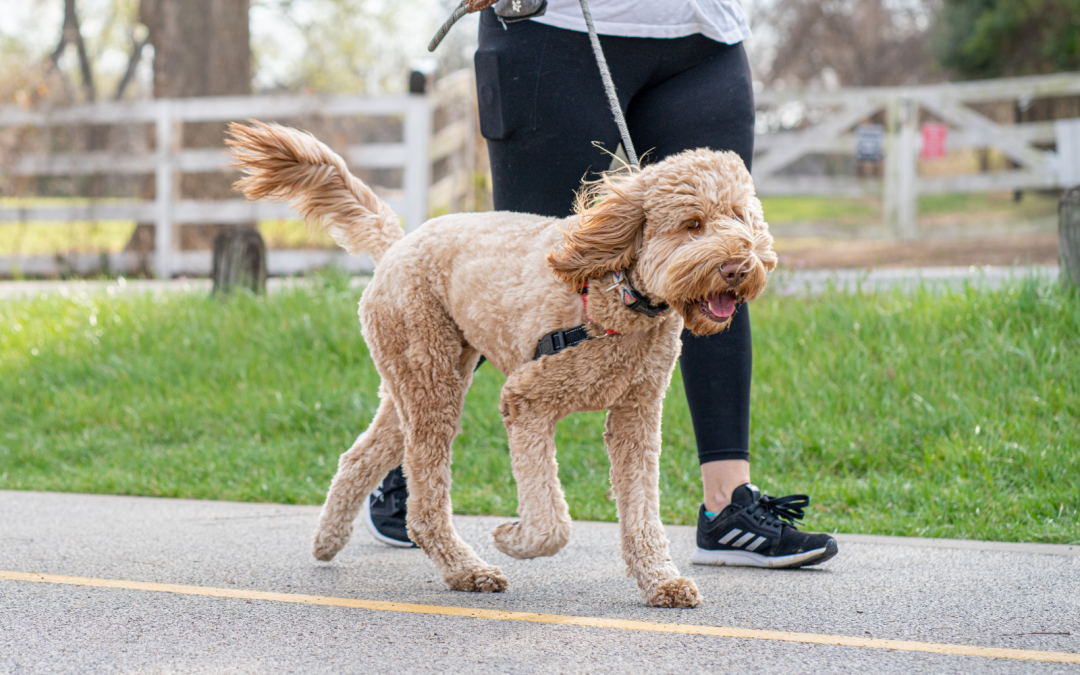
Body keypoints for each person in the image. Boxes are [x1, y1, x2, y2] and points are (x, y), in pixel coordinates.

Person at [364, 0, 838, 568]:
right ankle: (402, 466)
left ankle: (726, 506)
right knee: (523, 283)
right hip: (554, 28)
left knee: (716, 264)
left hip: (704, 34)